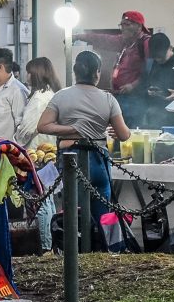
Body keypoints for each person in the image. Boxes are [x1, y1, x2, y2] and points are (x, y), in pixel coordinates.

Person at [38, 51, 131, 240]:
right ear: (97, 73)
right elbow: (124, 134)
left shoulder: (61, 97)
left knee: (74, 213)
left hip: (72, 160)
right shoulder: (108, 99)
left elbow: (43, 126)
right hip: (99, 161)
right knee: (104, 214)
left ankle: (76, 255)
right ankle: (110, 252)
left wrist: (73, 129)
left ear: (75, 72)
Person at [14, 57, 62, 254]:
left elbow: (27, 128)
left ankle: (45, 245)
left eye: (29, 72)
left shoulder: (39, 98)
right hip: (48, 152)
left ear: (36, 74)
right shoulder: (52, 95)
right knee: (47, 199)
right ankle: (48, 243)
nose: (27, 76)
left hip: (37, 154)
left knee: (39, 201)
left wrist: (16, 136)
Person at [74, 10, 152, 127]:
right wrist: (78, 36)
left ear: (139, 27)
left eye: (127, 24)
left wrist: (133, 85)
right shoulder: (125, 42)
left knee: (131, 132)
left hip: (136, 99)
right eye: (122, 25)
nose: (122, 28)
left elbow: (151, 70)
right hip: (120, 96)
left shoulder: (146, 43)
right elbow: (103, 39)